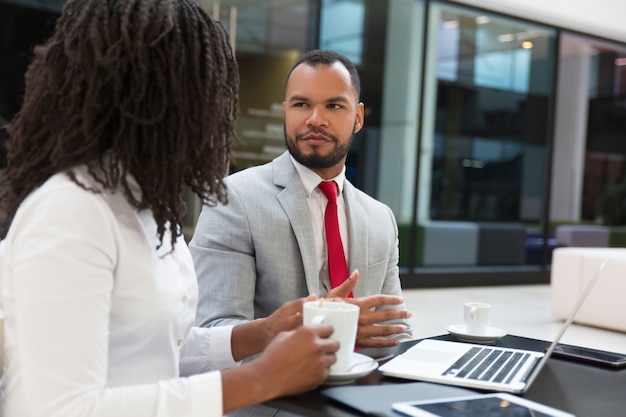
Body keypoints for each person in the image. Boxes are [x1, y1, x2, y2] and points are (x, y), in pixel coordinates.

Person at [0, 1, 340, 416]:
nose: (217, 114)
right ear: (155, 102)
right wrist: (258, 378)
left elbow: (156, 347)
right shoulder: (71, 210)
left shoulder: (145, 204)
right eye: (205, 93)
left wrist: (266, 331)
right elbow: (63, 407)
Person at [190, 49, 412, 352]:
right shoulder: (234, 199)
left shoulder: (380, 218)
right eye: (301, 104)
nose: (315, 119)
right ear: (286, 111)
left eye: (333, 105)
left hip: (364, 391)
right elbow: (211, 334)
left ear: (358, 117)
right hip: (277, 398)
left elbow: (394, 333)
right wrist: (324, 324)